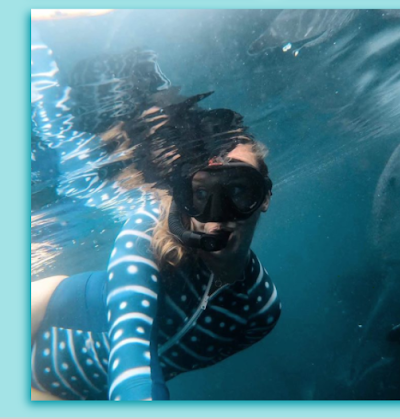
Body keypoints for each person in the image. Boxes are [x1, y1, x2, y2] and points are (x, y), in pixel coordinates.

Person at [31, 33, 281, 401]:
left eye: (240, 190)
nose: (217, 217)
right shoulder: (148, 231)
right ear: (181, 197)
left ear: (264, 198)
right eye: (200, 194)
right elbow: (132, 358)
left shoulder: (260, 312)